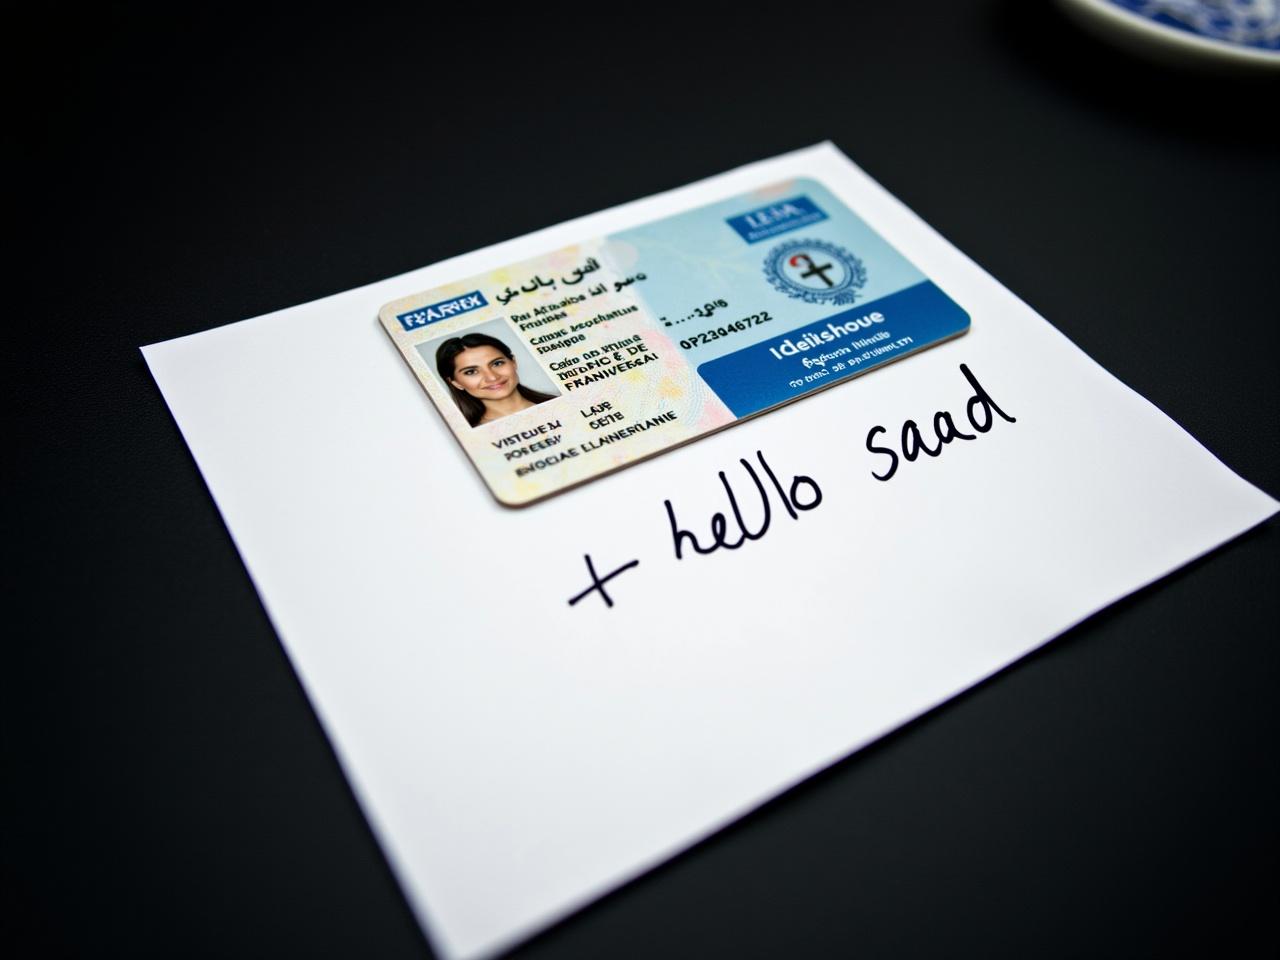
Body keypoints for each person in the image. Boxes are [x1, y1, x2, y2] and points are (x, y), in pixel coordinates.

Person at [435, 332, 556, 427]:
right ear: (455, 383)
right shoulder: (470, 436)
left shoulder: (562, 403)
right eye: (471, 372)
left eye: (497, 363)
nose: (492, 377)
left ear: (513, 362)